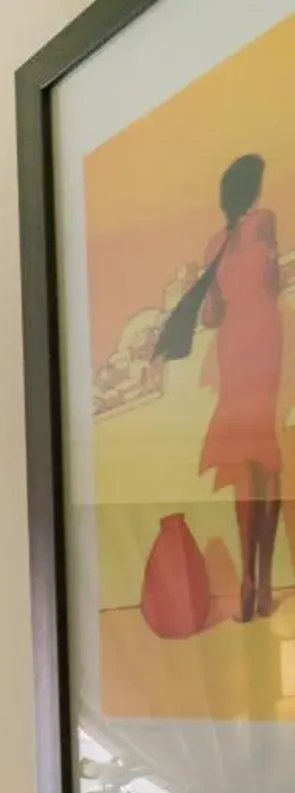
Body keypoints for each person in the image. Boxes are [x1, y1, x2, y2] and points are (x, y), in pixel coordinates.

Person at [195, 153, 283, 620]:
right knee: (264, 462)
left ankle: (250, 582)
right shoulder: (264, 222)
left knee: (246, 460)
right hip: (264, 340)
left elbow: (211, 315)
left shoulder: (214, 244)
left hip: (234, 348)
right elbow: (274, 279)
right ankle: (263, 583)